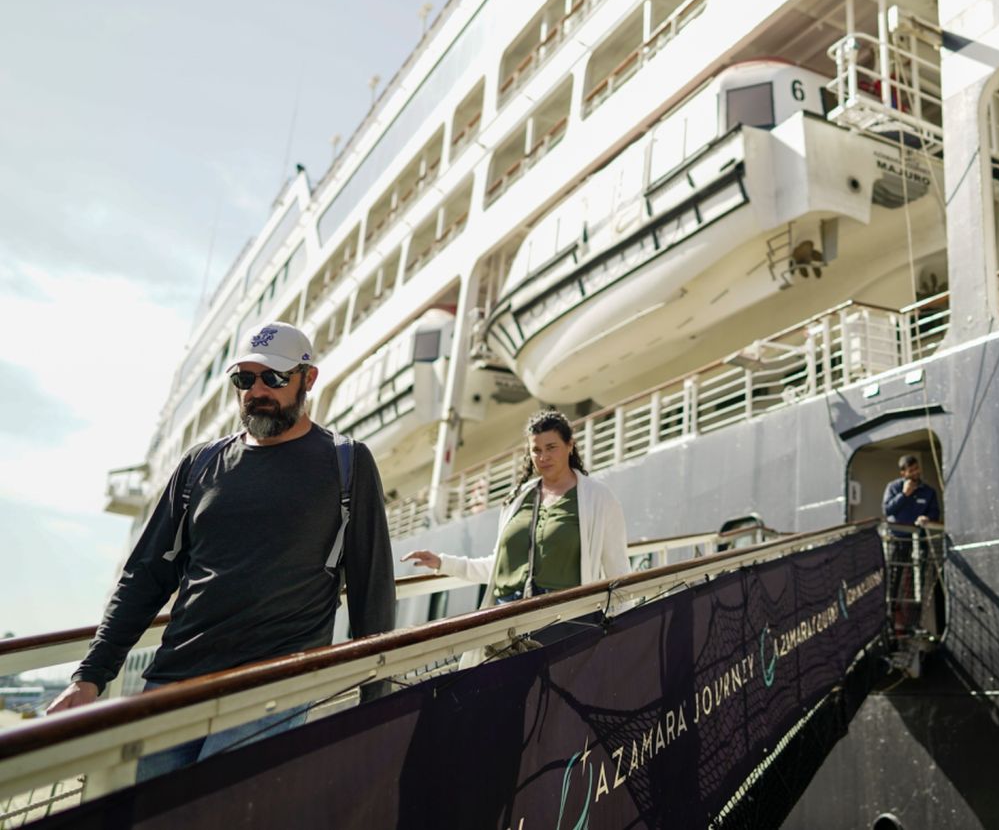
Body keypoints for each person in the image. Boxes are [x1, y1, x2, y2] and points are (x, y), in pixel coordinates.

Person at [47, 321, 396, 779]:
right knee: (148, 810)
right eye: (244, 379)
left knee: (215, 806)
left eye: (273, 377)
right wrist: (90, 676)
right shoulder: (200, 463)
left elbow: (372, 584)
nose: (257, 391)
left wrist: (376, 696)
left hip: (272, 685)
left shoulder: (346, 462)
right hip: (174, 682)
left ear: (308, 379)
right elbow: (145, 575)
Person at [403, 409, 628, 629]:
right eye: (536, 450)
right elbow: (498, 566)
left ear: (570, 446)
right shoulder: (517, 499)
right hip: (506, 622)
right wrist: (443, 563)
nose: (543, 457)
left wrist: (624, 630)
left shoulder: (599, 498)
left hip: (565, 623)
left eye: (551, 447)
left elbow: (617, 572)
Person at [882, 454, 941, 634]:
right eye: (911, 470)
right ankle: (889, 621)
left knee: (917, 583)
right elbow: (887, 510)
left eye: (917, 469)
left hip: (918, 542)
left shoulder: (928, 492)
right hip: (898, 541)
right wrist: (904, 495)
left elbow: (935, 513)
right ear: (903, 473)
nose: (915, 472)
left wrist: (927, 518)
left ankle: (914, 623)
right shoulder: (893, 487)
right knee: (893, 581)